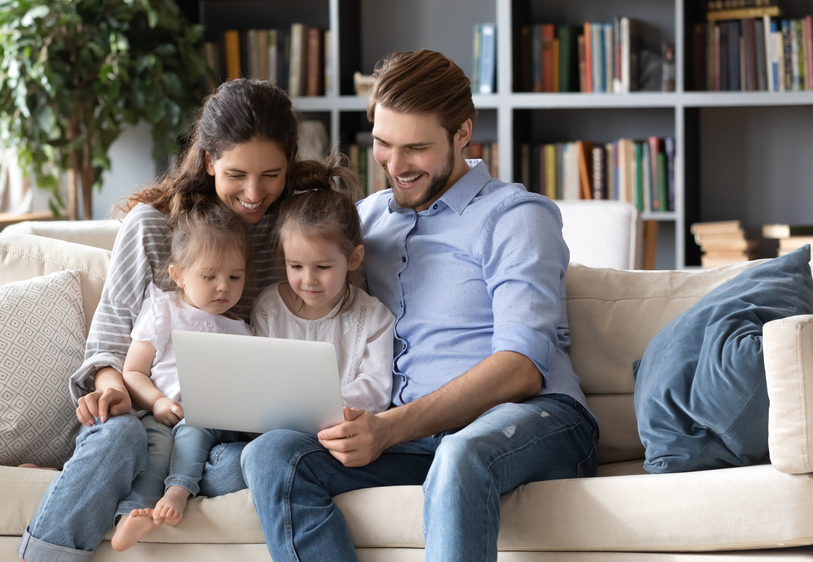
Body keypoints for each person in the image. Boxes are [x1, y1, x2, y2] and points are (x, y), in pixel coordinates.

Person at [241, 49, 600, 562]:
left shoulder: (514, 217)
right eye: (383, 145)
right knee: (272, 454)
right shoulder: (365, 221)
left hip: (534, 419)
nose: (396, 165)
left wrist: (388, 428)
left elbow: (523, 368)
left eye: (416, 148)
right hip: (415, 439)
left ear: (462, 133)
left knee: (461, 452)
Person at [18, 78, 299, 562]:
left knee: (252, 464)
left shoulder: (295, 234)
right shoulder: (153, 227)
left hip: (222, 433)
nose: (255, 194)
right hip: (146, 412)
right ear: (209, 160)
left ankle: (114, 483)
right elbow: (105, 347)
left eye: (271, 175)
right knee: (124, 437)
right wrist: (113, 387)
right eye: (236, 174)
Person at [109, 194, 253, 551]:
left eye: (235, 276)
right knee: (155, 450)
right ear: (179, 276)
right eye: (210, 276)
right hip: (161, 412)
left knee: (193, 433)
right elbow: (133, 372)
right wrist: (157, 403)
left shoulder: (241, 328)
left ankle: (177, 492)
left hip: (211, 419)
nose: (224, 286)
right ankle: (133, 514)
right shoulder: (163, 310)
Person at [250, 156, 394, 414]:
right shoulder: (268, 309)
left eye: (323, 267)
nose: (308, 280)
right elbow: (259, 381)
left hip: (341, 435)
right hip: (278, 427)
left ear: (354, 258)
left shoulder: (374, 317)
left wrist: (308, 406)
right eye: (295, 266)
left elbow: (375, 392)